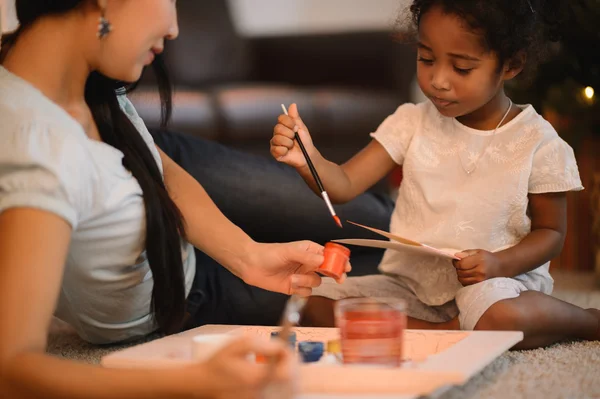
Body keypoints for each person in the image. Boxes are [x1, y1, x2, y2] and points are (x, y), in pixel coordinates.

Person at [0, 0, 362, 397]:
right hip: (178, 293)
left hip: (182, 244)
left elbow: (160, 168)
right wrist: (197, 382)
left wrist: (249, 256)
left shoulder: (77, 80)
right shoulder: (37, 144)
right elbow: (12, 368)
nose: (173, 28)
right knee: (373, 278)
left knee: (382, 234)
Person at [270, 0, 600, 350]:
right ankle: (452, 331)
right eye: (426, 59)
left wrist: (499, 262)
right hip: (410, 287)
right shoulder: (411, 122)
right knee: (307, 302)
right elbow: (344, 183)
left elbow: (551, 233)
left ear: (511, 65)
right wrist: (307, 159)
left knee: (501, 316)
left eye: (461, 68)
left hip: (494, 287)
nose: (438, 80)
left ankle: (586, 319)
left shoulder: (537, 141)